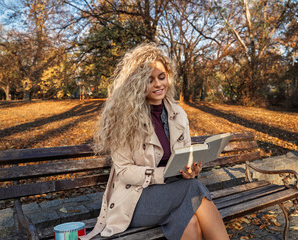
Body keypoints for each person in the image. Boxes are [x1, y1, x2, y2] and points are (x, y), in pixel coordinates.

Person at [80, 43, 229, 240]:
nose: (158, 84)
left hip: (174, 192)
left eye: (161, 77)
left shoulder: (178, 113)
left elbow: (184, 154)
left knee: (190, 220)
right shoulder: (125, 119)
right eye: (149, 80)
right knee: (194, 190)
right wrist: (163, 175)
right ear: (137, 83)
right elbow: (124, 172)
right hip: (136, 200)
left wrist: (191, 170)